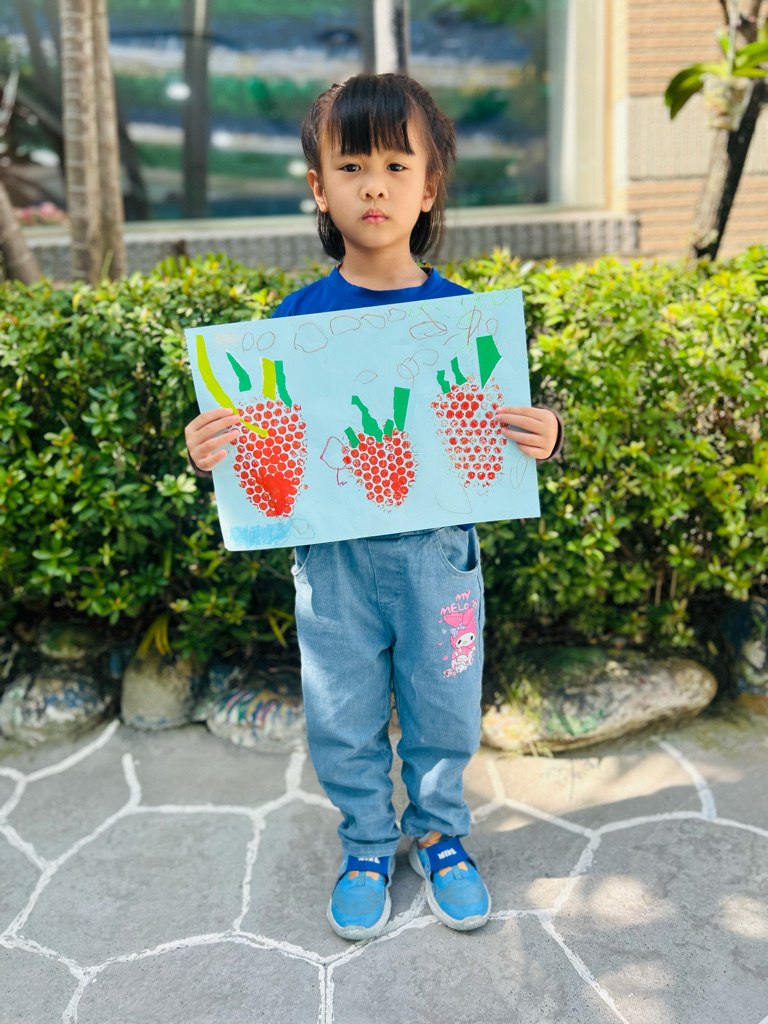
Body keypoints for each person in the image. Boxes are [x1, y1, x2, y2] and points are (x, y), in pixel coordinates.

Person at [185, 73, 564, 941]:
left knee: (444, 706)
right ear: (319, 188)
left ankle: (439, 834)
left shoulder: (465, 321)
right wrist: (214, 447)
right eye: (351, 166)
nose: (375, 185)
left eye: (398, 165)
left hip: (439, 556)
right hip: (333, 564)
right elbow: (267, 444)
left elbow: (504, 428)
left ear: (429, 186)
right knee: (342, 712)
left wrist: (546, 434)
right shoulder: (290, 328)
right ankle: (365, 843)